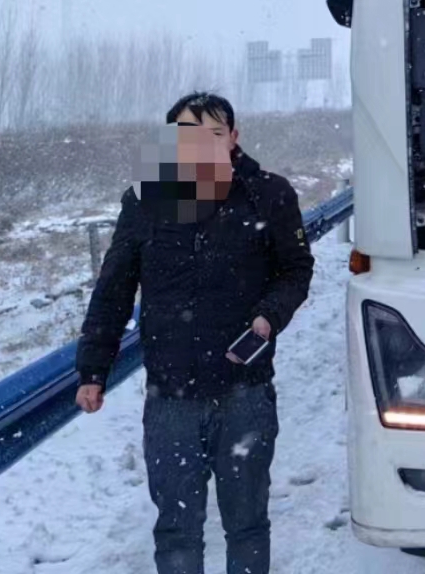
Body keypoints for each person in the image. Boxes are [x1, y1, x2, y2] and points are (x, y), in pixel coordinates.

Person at [76, 92, 314, 574]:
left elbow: (295, 269)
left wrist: (269, 316)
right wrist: (93, 370)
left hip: (245, 390)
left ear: (234, 138)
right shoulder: (145, 199)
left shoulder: (269, 194)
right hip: (171, 396)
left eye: (214, 134)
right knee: (176, 530)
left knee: (247, 523)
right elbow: (114, 289)